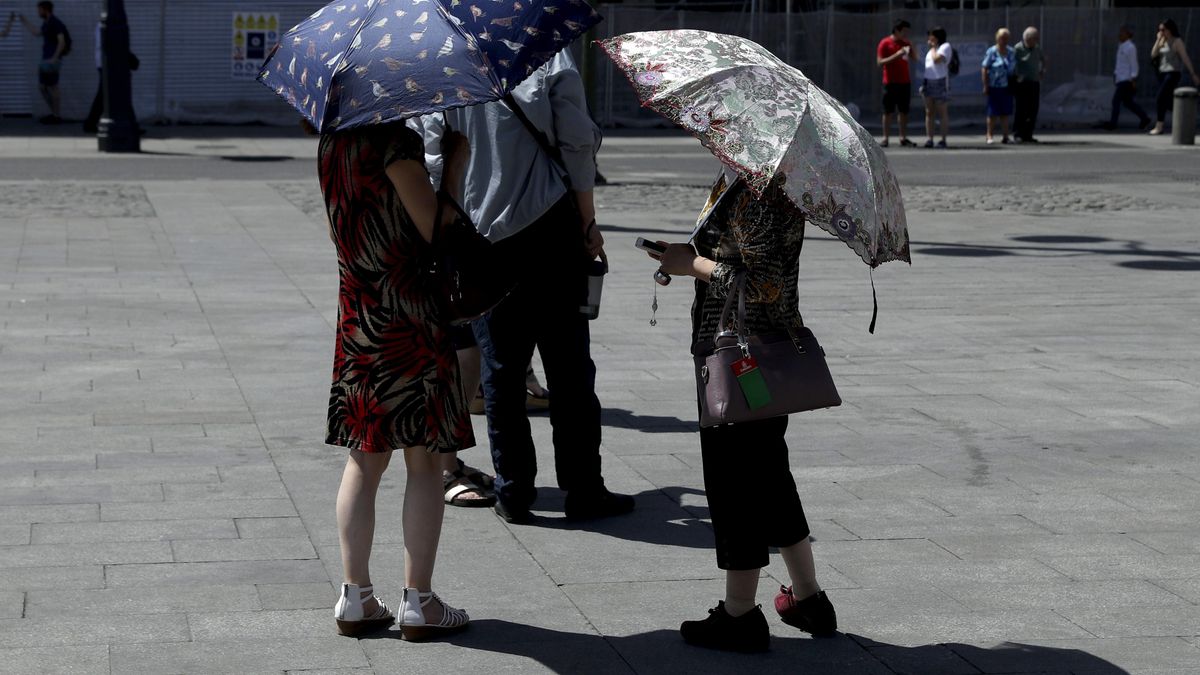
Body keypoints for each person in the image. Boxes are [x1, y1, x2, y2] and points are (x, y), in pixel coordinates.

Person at [417, 52, 634, 525]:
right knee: (569, 369)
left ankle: (514, 492)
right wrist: (587, 220)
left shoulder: (446, 58)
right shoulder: (545, 50)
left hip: (482, 234)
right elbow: (576, 140)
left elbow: (433, 153)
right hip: (551, 226)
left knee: (501, 371)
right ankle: (583, 489)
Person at [644, 173, 837, 653]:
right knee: (770, 477)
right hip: (753, 354)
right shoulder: (754, 184)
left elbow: (765, 285)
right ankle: (809, 597)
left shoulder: (758, 193)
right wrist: (687, 256)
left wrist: (692, 264)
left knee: (736, 484)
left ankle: (739, 614)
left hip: (742, 359)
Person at [318, 118, 474, 640]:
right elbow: (435, 231)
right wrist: (454, 167)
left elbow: (349, 229)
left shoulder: (332, 142)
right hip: (408, 319)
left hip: (357, 316)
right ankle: (419, 601)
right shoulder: (394, 142)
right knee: (424, 460)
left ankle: (355, 596)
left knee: (364, 459)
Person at [17, 1, 68, 124]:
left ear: (46, 10)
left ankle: (56, 116)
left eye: (39, 10)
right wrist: (25, 21)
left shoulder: (55, 22)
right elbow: (37, 33)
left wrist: (55, 58)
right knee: (43, 87)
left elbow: (62, 42)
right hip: (46, 60)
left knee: (53, 87)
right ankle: (54, 113)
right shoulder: (47, 23)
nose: (38, 12)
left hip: (51, 60)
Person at [1148, 19, 1198, 136]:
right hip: (1162, 73)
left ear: (1169, 30)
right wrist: (1158, 39)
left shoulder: (1177, 41)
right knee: (1169, 102)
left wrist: (1193, 73)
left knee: (1160, 98)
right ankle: (1187, 117)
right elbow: (1153, 54)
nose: (1161, 31)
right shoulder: (1162, 41)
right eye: (1159, 29)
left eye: (1163, 29)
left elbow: (1185, 57)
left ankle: (1159, 126)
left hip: (1172, 73)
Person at [877, 19, 917, 148]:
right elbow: (880, 62)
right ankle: (885, 138)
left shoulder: (905, 43)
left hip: (904, 82)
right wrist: (897, 55)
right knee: (888, 111)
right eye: (904, 31)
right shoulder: (885, 43)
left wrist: (911, 47)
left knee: (903, 111)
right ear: (896, 30)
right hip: (890, 82)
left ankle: (903, 137)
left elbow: (916, 58)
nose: (906, 34)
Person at [1106, 25, 1151, 131]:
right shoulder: (1121, 46)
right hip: (1120, 78)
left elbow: (1134, 64)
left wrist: (1133, 78)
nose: (1119, 35)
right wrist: (1115, 74)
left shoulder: (1131, 47)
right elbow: (1120, 63)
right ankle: (1144, 118)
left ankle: (1113, 123)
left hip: (1126, 79)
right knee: (1128, 103)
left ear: (1127, 34)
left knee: (1116, 101)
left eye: (1122, 33)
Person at [981, 27, 1016, 145]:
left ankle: (1005, 136)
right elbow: (984, 68)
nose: (1004, 40)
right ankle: (989, 135)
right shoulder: (992, 51)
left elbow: (1014, 68)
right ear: (997, 38)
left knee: (1005, 113)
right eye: (1002, 38)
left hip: (1007, 86)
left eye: (1006, 38)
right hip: (994, 86)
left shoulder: (1011, 52)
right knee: (992, 113)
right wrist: (985, 85)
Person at [1011, 27, 1044, 143]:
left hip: (1034, 82)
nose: (1036, 40)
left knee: (1033, 109)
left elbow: (1044, 59)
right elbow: (1012, 63)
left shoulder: (1037, 48)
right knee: (1021, 109)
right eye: (1035, 38)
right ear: (1028, 38)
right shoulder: (1018, 48)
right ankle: (1018, 133)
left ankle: (1028, 134)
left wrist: (1042, 71)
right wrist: (1016, 76)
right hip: (1022, 83)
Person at [922, 26, 953, 148]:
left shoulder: (945, 47)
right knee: (929, 112)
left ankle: (943, 139)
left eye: (931, 36)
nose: (929, 39)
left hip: (940, 82)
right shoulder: (931, 50)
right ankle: (929, 139)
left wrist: (934, 47)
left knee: (942, 112)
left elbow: (937, 60)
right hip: (928, 81)